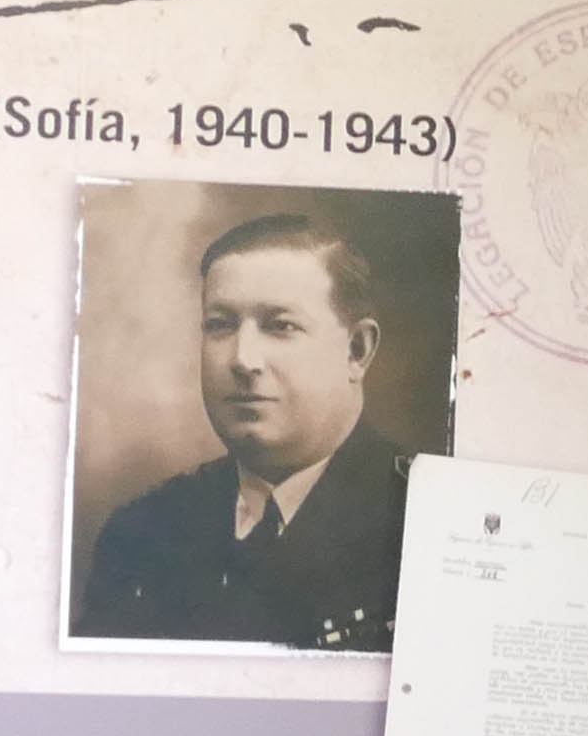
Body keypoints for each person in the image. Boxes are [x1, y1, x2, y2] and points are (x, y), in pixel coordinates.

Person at [76, 211, 417, 650]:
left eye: (280, 326)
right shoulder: (143, 532)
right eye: (220, 325)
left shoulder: (422, 525)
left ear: (356, 350)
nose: (243, 359)